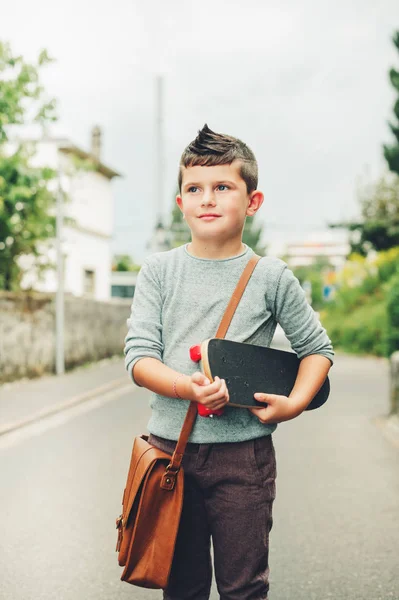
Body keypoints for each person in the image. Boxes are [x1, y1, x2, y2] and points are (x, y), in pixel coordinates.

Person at [124, 123, 334, 600]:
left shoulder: (271, 276)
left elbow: (317, 350)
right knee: (181, 585)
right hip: (169, 454)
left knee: (243, 588)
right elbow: (138, 359)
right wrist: (186, 388)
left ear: (252, 202)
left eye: (223, 187)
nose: (207, 199)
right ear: (181, 204)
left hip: (245, 458)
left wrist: (293, 404)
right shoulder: (158, 272)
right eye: (194, 189)